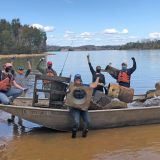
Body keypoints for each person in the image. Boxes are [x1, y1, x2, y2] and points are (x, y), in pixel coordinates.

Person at [70, 74, 90, 138]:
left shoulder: (85, 87)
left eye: (79, 79)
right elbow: (68, 97)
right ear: (74, 80)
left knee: (88, 122)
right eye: (76, 80)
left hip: (83, 108)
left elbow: (91, 89)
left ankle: (84, 135)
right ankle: (74, 134)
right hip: (75, 108)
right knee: (76, 122)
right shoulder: (71, 87)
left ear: (81, 80)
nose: (78, 81)